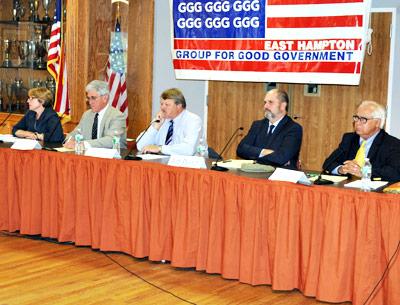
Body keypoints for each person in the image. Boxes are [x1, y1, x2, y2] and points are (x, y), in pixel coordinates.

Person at [323, 100, 400, 182]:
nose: (357, 123)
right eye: (356, 118)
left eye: (363, 119)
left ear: (377, 123)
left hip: (374, 191)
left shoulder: (392, 144)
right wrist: (341, 169)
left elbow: (394, 172)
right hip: (349, 188)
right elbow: (328, 163)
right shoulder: (349, 139)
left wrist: (364, 172)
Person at [236, 88, 302, 169]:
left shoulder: (293, 128)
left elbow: (280, 158)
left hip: (280, 178)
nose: (265, 106)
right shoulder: (257, 125)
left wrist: (255, 155)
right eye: (265, 102)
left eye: (270, 102)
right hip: (257, 173)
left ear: (282, 106)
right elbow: (241, 149)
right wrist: (265, 152)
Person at [136, 88, 204, 156]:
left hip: (187, 164)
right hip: (161, 163)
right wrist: (155, 127)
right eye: (161, 104)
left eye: (167, 105)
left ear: (179, 106)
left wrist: (160, 148)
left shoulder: (193, 120)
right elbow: (140, 145)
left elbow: (189, 149)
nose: (162, 108)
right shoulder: (161, 119)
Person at [64, 80, 126, 149]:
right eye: (88, 98)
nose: (90, 102)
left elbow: (111, 140)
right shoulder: (87, 115)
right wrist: (70, 141)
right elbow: (75, 133)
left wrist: (83, 144)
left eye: (93, 98)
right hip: (89, 157)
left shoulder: (117, 116)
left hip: (112, 158)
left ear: (105, 98)